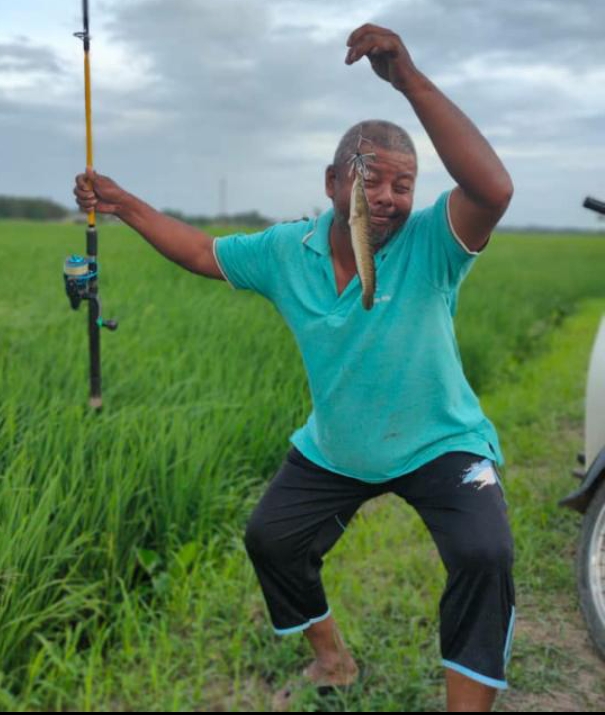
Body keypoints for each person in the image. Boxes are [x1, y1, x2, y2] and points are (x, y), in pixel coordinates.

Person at [74, 24, 515, 712]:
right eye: (371, 179)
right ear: (333, 182)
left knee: (484, 556)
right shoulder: (288, 251)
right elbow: (202, 252)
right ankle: (333, 661)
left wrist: (406, 79)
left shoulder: (432, 240)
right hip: (339, 444)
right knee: (271, 539)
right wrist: (123, 204)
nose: (388, 197)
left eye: (403, 185)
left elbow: (491, 189)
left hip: (440, 440)